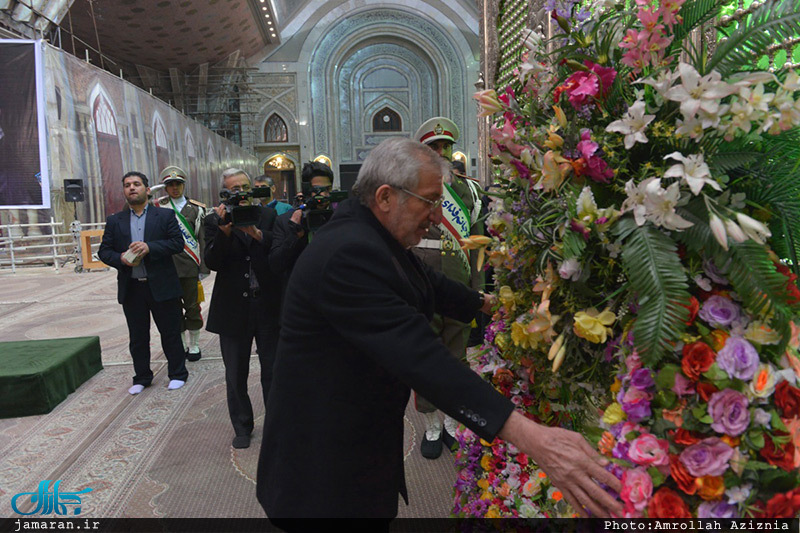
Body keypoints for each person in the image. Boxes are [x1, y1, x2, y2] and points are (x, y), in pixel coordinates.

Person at [256, 138, 622, 520]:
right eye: (430, 201)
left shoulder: (368, 230)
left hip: (357, 450)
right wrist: (535, 439)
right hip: (321, 474)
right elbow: (422, 358)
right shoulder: (345, 254)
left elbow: (426, 280)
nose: (436, 217)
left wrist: (491, 306)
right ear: (385, 196)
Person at [411, 116, 485, 459]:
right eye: (433, 147)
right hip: (422, 287)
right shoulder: (410, 187)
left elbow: (479, 244)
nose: (441, 152)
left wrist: (478, 289)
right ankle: (432, 424)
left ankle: (453, 422)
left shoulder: (469, 190)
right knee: (424, 358)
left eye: (445, 146)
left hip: (458, 285)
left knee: (457, 360)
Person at [204, 168, 281, 449]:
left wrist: (259, 235)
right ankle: (242, 426)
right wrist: (224, 231)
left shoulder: (269, 216)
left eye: (244, 187)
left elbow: (281, 252)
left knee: (273, 369)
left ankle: (275, 424)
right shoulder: (215, 220)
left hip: (268, 304)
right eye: (233, 189)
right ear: (225, 193)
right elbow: (211, 261)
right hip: (233, 306)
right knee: (235, 372)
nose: (240, 193)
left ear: (253, 188)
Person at [98, 171, 189, 395]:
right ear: (124, 191)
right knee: (138, 336)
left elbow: (177, 244)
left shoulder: (165, 216)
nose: (132, 188)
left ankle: (177, 374)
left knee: (170, 332)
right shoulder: (115, 220)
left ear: (147, 190)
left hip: (162, 285)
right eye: (127, 185)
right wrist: (119, 258)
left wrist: (151, 248)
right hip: (132, 287)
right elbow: (104, 251)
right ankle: (142, 377)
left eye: (136, 184)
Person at [157, 166, 209, 361]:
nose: (174, 188)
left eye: (178, 184)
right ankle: (179, 344)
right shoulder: (159, 207)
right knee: (172, 309)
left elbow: (201, 239)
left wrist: (203, 267)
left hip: (189, 265)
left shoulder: (196, 209)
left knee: (193, 307)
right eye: (170, 185)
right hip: (167, 266)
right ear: (165, 188)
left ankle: (194, 345)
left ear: (183, 185)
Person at [269, 161, 335, 296]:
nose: (323, 196)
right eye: (317, 191)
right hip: (301, 299)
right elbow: (276, 265)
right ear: (306, 191)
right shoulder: (286, 221)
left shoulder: (340, 218)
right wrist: (294, 236)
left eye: (327, 190)